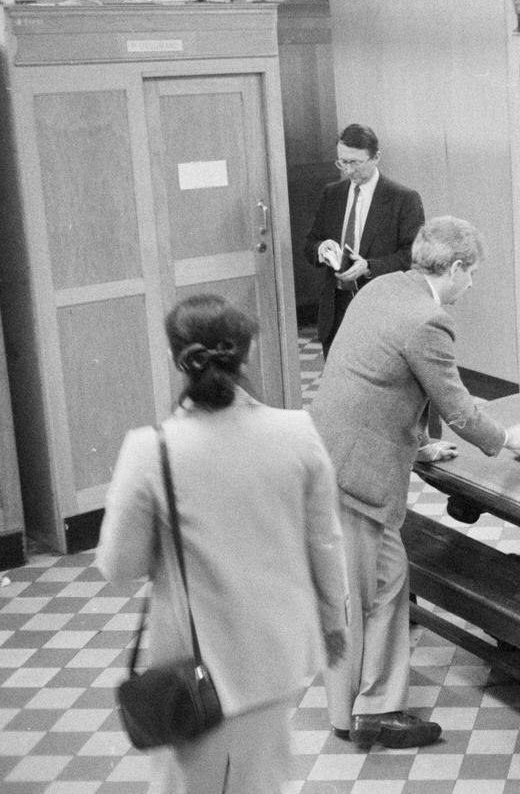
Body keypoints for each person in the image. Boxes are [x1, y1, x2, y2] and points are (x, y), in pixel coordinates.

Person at [96, 295, 348, 793]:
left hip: (195, 666)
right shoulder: (297, 432)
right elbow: (326, 544)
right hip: (279, 655)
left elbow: (119, 565)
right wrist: (333, 624)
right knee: (263, 782)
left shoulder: (152, 449)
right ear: (247, 353)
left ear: (177, 360)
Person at [309, 215, 520, 750]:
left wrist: (420, 444)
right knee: (370, 590)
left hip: (329, 452)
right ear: (454, 267)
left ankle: (366, 708)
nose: (473, 284)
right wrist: (510, 439)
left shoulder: (383, 288)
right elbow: (459, 409)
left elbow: (381, 378)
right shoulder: (429, 321)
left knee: (373, 587)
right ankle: (368, 714)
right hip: (358, 474)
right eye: (472, 273)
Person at [304, 123, 425, 356]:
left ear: (376, 157)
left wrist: (368, 267)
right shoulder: (332, 195)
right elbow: (310, 243)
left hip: (381, 309)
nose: (347, 170)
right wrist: (321, 249)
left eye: (354, 163)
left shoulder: (403, 199)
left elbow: (414, 256)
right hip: (336, 308)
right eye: (342, 162)